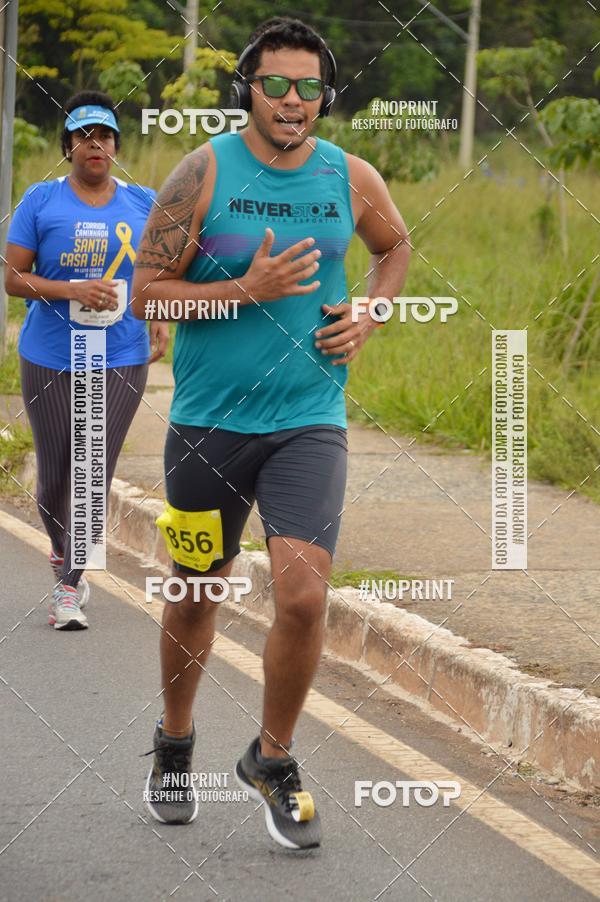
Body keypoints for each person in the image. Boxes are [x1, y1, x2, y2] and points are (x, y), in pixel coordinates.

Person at [132, 17, 410, 848]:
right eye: (276, 85)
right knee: (194, 593)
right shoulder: (202, 171)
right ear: (246, 88)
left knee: (303, 595)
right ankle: (175, 744)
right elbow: (148, 293)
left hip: (308, 419)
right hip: (206, 426)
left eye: (309, 88)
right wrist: (243, 291)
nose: (294, 102)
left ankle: (273, 759)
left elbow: (394, 247)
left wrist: (371, 309)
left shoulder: (348, 176)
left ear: (327, 95)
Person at [5, 90, 169, 631]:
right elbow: (12, 278)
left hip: (119, 353)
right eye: (83, 136)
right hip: (51, 353)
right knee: (55, 478)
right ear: (68, 147)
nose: (94, 144)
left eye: (104, 135)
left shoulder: (143, 201)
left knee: (93, 468)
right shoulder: (41, 201)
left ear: (116, 146)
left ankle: (70, 586)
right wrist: (69, 287)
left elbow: (158, 270)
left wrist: (158, 315)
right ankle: (62, 552)